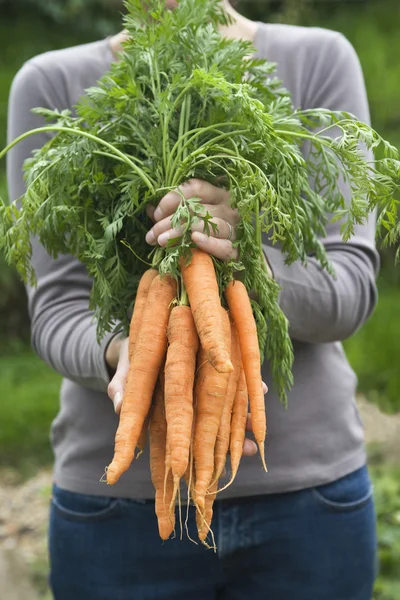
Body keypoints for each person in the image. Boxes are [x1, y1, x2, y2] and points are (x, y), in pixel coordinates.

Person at [7, 1, 379, 598]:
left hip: (309, 506)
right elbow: (55, 312)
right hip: (117, 512)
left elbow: (348, 297)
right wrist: (129, 352)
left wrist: (241, 255)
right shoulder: (51, 84)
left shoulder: (318, 61)